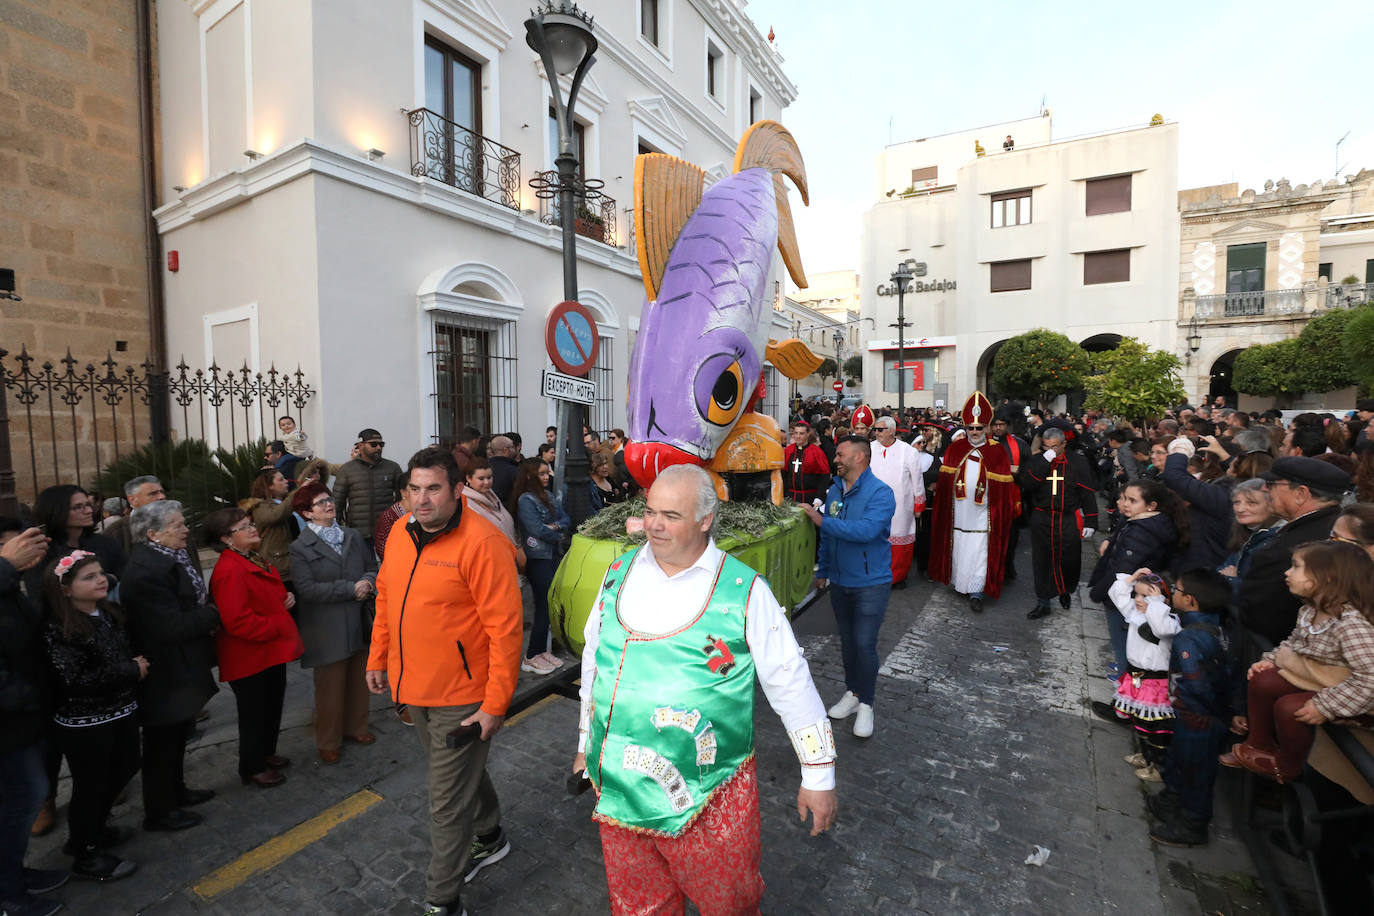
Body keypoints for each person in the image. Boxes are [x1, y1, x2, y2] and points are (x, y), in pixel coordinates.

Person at [576, 464, 836, 914]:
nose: (655, 525)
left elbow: (790, 681)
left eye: (671, 515)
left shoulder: (743, 590)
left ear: (705, 519)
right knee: (638, 907)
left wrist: (819, 775)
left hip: (711, 798)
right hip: (618, 787)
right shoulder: (617, 574)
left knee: (729, 906)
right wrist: (585, 742)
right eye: (651, 512)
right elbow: (594, 663)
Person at [366, 447, 522, 916]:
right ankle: (491, 834)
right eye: (414, 489)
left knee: (445, 800)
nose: (421, 500)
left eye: (433, 488)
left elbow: (506, 629)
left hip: (463, 696)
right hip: (414, 688)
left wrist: (495, 705)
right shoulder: (398, 532)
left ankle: (442, 900)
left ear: (458, 490)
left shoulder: (483, 543)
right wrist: (378, 657)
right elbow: (387, 597)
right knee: (457, 773)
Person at [1221, 541, 1374, 784]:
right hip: (1320, 681)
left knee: (1290, 708)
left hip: (1349, 696)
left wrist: (1325, 707)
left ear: (1328, 578)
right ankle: (1258, 745)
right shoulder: (1309, 611)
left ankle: (1287, 765)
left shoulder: (1350, 624)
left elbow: (1369, 678)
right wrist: (1270, 661)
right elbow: (1294, 642)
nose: (1287, 572)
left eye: (1296, 567)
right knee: (1262, 680)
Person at [41, 552, 144, 881]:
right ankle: (85, 853)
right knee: (92, 785)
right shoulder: (60, 629)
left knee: (125, 766)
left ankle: (93, 830)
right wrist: (130, 670)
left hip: (121, 710)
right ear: (66, 590)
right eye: (88, 577)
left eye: (101, 573)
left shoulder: (110, 613)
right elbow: (76, 680)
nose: (101, 580)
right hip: (86, 722)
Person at [119, 500, 219, 833]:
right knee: (162, 743)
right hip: (165, 670)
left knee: (177, 737)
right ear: (152, 534)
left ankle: (176, 792)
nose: (186, 529)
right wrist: (213, 615)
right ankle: (160, 811)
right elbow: (170, 626)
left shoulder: (167, 558)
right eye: (177, 525)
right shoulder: (147, 570)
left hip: (180, 665)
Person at [1, 522, 71, 916]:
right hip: (11, 718)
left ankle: (13, 875)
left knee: (23, 795)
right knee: (23, 796)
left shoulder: (9, 587)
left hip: (21, 716)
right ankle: (7, 891)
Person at [805, 436, 895, 737]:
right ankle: (853, 693)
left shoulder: (881, 493)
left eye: (841, 454)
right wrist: (825, 569)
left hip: (871, 584)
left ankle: (867, 704)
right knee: (847, 642)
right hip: (841, 581)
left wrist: (821, 522)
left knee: (864, 644)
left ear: (860, 457)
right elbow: (830, 538)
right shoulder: (834, 490)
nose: (836, 459)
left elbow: (866, 531)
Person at [288, 483, 377, 765]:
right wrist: (350, 588)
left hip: (358, 620)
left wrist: (368, 582)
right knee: (330, 688)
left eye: (329, 499)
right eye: (320, 502)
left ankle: (357, 727)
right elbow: (307, 589)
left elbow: (372, 567)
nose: (329, 504)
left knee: (359, 680)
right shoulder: (300, 547)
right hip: (325, 628)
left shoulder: (350, 535)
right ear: (306, 513)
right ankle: (328, 740)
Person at [1145, 569, 1234, 848]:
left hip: (1197, 718)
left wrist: (1196, 710)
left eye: (1178, 589)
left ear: (1191, 601)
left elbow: (1195, 683)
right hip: (1202, 714)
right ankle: (1171, 802)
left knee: (1196, 770)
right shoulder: (1217, 626)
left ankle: (1192, 824)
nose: (1174, 592)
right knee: (1180, 761)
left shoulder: (1189, 638)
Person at [1237, 457, 1351, 647]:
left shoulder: (1288, 549)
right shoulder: (1341, 526)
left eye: (1271, 484)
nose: (1265, 489)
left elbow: (1259, 615)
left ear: (1300, 494)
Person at [929, 392, 1020, 613]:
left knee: (980, 548)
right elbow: (944, 483)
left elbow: (1004, 486)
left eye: (980, 428)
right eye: (971, 428)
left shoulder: (997, 451)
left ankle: (977, 590)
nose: (975, 432)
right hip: (959, 512)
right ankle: (961, 583)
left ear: (987, 428)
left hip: (984, 514)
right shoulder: (955, 449)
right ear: (966, 428)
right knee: (960, 544)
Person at [1087, 480, 1188, 679]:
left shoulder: (1143, 530)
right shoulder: (1144, 521)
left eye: (1132, 500)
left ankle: (1127, 689)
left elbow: (1122, 567)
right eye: (1124, 498)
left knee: (1124, 641)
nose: (1124, 504)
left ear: (1151, 505)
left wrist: (1098, 591)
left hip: (1127, 593)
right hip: (1136, 592)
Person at [1102, 571, 1178, 780]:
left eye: (1146, 596)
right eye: (1137, 595)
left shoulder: (1168, 621)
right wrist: (1133, 577)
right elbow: (1117, 594)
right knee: (1140, 722)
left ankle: (1158, 768)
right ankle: (1145, 756)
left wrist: (1154, 603)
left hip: (1155, 684)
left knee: (1156, 727)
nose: (1138, 600)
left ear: (1161, 598)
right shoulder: (1136, 614)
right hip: (1137, 678)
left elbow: (1161, 629)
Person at [1021, 425, 1098, 619]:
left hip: (1067, 518)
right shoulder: (1037, 461)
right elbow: (1027, 484)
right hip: (1042, 517)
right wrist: (1044, 462)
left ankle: (1064, 590)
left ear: (1064, 444)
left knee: (1069, 558)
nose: (1051, 451)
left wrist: (1091, 520)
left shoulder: (1077, 462)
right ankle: (1043, 601)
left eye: (1055, 447)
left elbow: (1087, 492)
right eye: (1047, 447)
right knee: (1042, 560)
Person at [511, 457, 570, 675]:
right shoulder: (526, 500)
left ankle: (541, 651)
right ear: (530, 476)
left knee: (550, 604)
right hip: (538, 558)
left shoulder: (548, 495)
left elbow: (566, 519)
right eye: (543, 474)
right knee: (543, 606)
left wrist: (554, 527)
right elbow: (536, 529)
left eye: (548, 473)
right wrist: (557, 531)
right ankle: (531, 655)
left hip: (552, 553)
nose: (548, 477)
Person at [26, 485, 126, 599]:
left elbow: (124, 578)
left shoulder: (106, 543)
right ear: (56, 511)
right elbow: (41, 594)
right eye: (78, 507)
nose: (88, 511)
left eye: (88, 505)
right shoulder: (41, 551)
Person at [868, 417, 924, 590]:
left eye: (880, 429)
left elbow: (917, 479)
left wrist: (918, 504)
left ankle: (897, 577)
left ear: (891, 431)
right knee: (874, 538)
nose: (876, 433)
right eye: (875, 429)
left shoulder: (908, 451)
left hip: (901, 505)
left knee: (899, 537)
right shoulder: (869, 448)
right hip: (873, 504)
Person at [333, 428, 403, 551]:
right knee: (363, 568)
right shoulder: (347, 470)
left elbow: (402, 498)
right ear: (360, 445)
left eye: (381, 444)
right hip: (358, 532)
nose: (378, 448)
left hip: (388, 530)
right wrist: (335, 529)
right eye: (373, 444)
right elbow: (338, 502)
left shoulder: (392, 467)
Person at [1216, 479, 1283, 599]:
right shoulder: (1242, 532)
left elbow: (1259, 591)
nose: (1240, 509)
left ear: (1273, 506)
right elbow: (1224, 568)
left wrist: (1231, 579)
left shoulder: (1279, 539)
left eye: (1252, 503)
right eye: (1236, 502)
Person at [240, 468, 301, 589]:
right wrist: (298, 492)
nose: (287, 481)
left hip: (292, 564)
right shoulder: (260, 507)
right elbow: (275, 515)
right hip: (279, 568)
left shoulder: (283, 503)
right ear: (269, 486)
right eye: (281, 479)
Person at [460, 460, 524, 572]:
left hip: (508, 558)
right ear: (469, 478)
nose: (487, 482)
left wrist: (517, 547)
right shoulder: (465, 503)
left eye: (489, 477)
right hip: (491, 564)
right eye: (481, 479)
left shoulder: (491, 496)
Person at [989, 416, 1029, 580]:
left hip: (1012, 497)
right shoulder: (984, 443)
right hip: (988, 497)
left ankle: (1007, 567)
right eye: (995, 425)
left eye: (1001, 424)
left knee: (1010, 536)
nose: (998, 428)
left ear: (1007, 425)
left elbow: (1029, 470)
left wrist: (1018, 472)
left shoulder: (1019, 444)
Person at [102, 476, 166, 554]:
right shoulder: (116, 532)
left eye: (161, 492)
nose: (162, 497)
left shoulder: (175, 523)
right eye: (153, 494)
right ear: (133, 500)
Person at [781, 422, 830, 508]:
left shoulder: (817, 452)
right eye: (796, 433)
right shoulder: (788, 451)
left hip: (810, 499)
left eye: (801, 433)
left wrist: (819, 498)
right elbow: (783, 475)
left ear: (807, 434)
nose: (798, 436)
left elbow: (824, 476)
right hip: (789, 498)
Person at [372, 473, 409, 563]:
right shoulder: (389, 516)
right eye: (415, 489)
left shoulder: (423, 513)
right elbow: (383, 550)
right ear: (403, 492)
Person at [485, 436, 520, 506]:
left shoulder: (484, 467)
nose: (515, 450)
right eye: (512, 447)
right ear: (505, 450)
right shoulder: (513, 471)